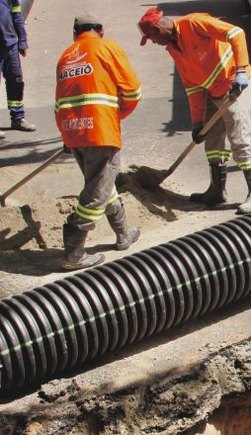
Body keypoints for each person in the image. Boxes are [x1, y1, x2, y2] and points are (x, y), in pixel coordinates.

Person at [137, 7, 251, 214]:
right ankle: (217, 191)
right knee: (213, 142)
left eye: (152, 38)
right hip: (213, 92)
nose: (154, 43)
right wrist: (197, 123)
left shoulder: (194, 23)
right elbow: (193, 87)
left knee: (239, 139)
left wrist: (241, 69)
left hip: (235, 84)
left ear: (159, 29)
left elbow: (236, 33)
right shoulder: (173, 48)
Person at [55, 14, 142, 270]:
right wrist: (113, 117)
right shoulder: (107, 47)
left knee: (102, 184)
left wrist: (66, 134)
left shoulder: (66, 55)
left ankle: (123, 233)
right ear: (100, 31)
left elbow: (60, 100)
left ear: (75, 32)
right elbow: (133, 90)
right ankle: (73, 252)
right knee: (96, 193)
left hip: (73, 131)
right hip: (100, 132)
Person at [0, 0, 36, 138]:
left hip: (10, 44)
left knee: (16, 80)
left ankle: (17, 118)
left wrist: (22, 40)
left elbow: (17, 13)